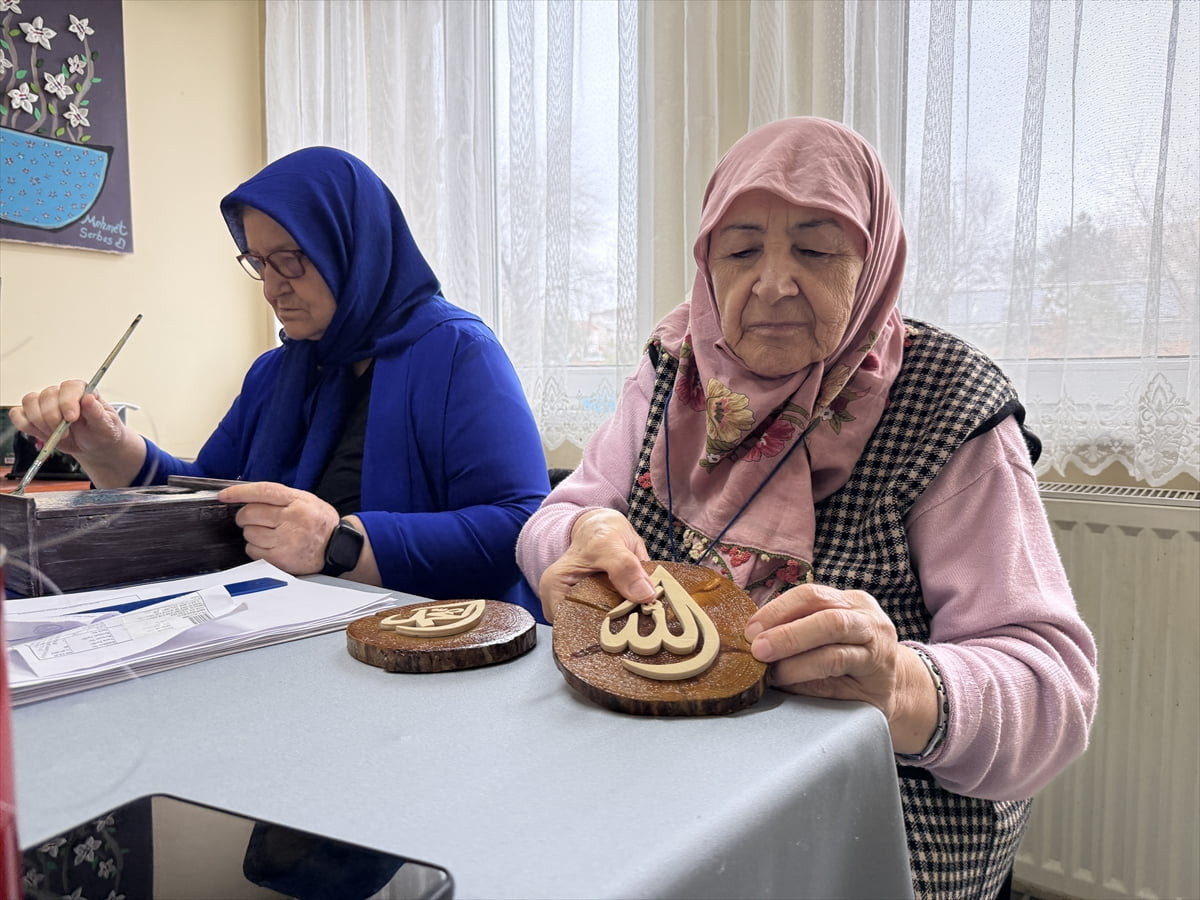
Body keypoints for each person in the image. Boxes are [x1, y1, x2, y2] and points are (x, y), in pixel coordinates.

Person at [515, 118, 1098, 898]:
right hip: (657, 758)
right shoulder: (673, 372)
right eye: (742, 249)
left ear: (874, 260)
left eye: (818, 250)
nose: (774, 284)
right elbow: (556, 521)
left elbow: (1053, 688)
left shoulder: (950, 405)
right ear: (707, 263)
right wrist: (581, 534)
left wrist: (899, 685)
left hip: (870, 796)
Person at [11, 147, 549, 605]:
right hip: (295, 640)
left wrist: (340, 543)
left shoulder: (458, 352)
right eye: (258, 262)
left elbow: (520, 526)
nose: (272, 288)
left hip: (431, 648)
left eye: (292, 260)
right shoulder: (277, 371)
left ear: (351, 247)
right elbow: (211, 496)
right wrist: (107, 447)